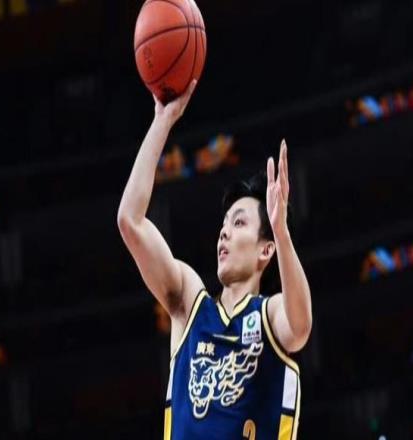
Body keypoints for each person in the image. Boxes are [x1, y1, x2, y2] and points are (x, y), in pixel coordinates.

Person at [117, 80, 313, 440]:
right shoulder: (190, 306)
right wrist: (162, 121)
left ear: (265, 250)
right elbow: (130, 221)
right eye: (223, 225)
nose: (224, 233)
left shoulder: (269, 315)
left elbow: (300, 326)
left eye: (238, 223)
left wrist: (282, 233)